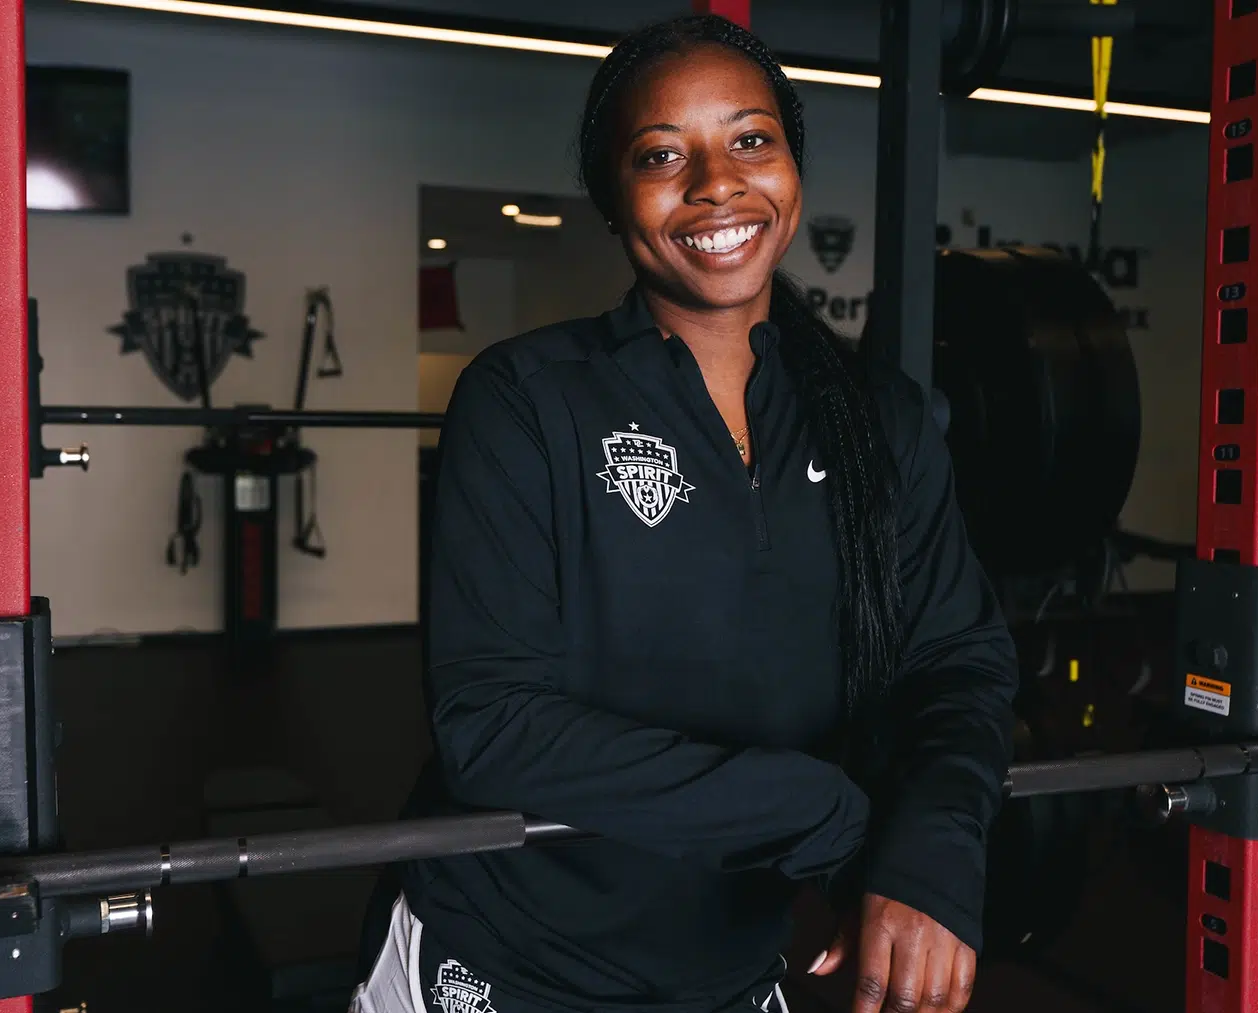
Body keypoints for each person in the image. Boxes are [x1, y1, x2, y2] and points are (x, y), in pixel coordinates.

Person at [353, 15, 1018, 1013]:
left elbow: (957, 662)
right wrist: (833, 817)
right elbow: (491, 726)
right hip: (504, 959)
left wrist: (928, 854)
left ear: (792, 166)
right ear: (616, 202)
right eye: (662, 154)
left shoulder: (882, 420)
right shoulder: (529, 399)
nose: (716, 179)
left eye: (751, 138)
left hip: (728, 971)